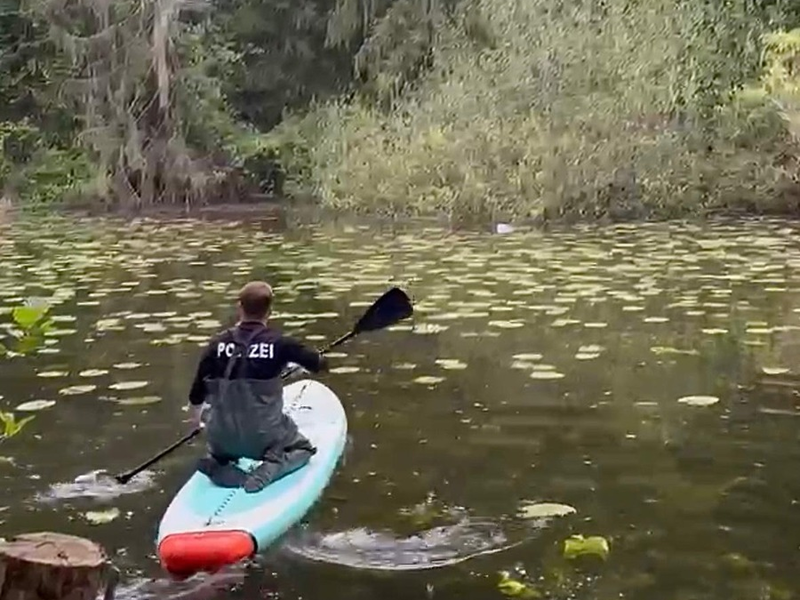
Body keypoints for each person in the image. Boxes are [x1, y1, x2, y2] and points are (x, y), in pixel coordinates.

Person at [186, 280, 328, 492]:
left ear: (239, 307)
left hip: (221, 437)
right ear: (270, 310)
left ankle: (217, 463)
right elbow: (320, 365)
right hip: (264, 438)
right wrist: (309, 360)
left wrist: (195, 426)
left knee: (220, 446)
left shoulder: (216, 344)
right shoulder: (281, 343)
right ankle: (272, 467)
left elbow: (196, 395)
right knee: (303, 449)